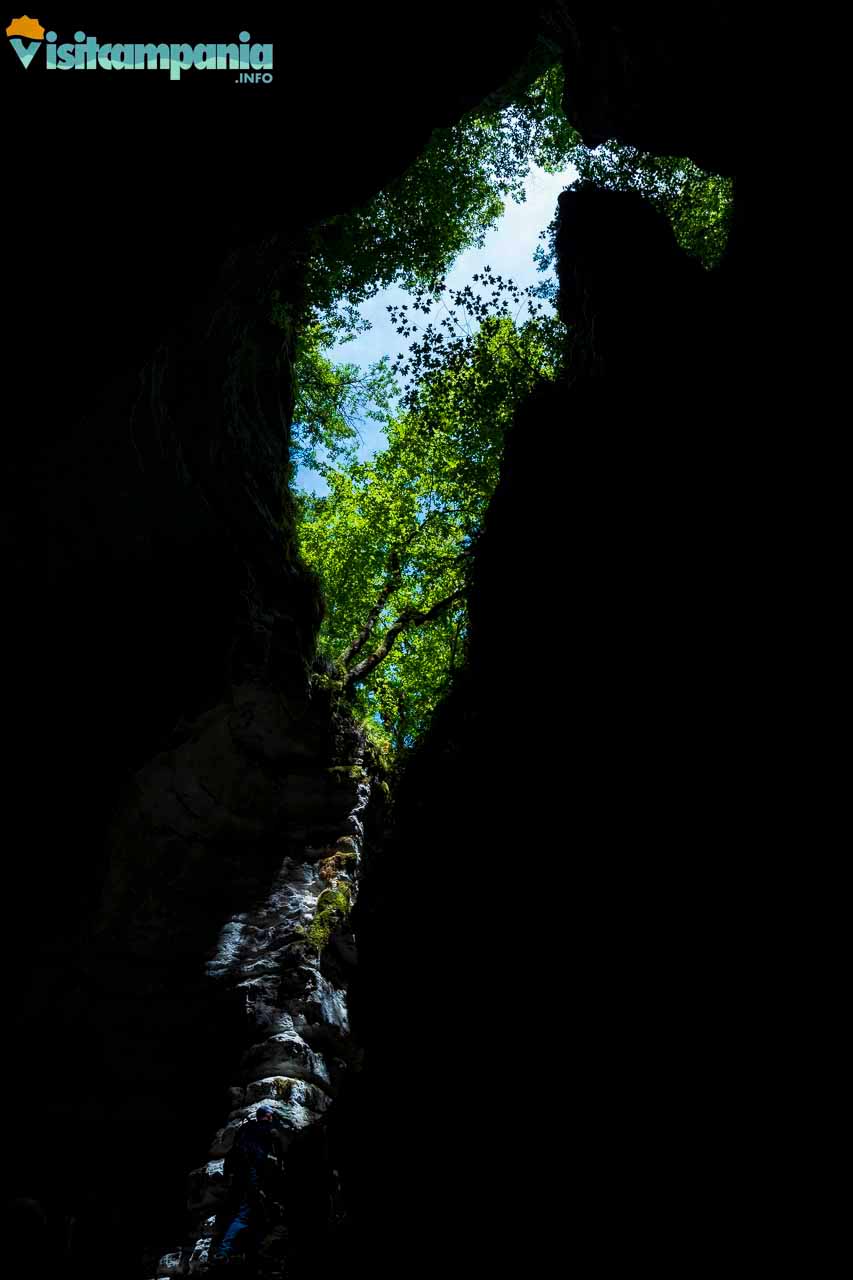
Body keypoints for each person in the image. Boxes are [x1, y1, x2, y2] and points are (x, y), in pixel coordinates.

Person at [211, 1105, 286, 1268]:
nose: (273, 1117)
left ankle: (242, 1254)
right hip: (253, 1177)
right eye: (271, 1115)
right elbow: (279, 1153)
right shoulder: (269, 1130)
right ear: (267, 1116)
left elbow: (232, 1151)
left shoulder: (245, 1128)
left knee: (243, 1213)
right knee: (247, 1215)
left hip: (237, 1177)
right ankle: (225, 1252)